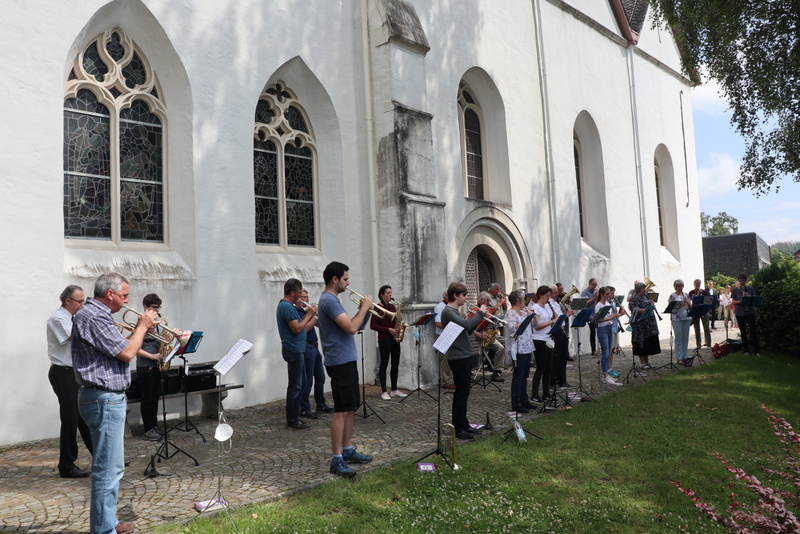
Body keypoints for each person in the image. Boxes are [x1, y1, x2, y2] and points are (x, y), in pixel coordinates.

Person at [73, 272, 158, 534]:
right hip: (103, 399)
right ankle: (103, 530)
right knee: (106, 472)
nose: (127, 300)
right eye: (124, 295)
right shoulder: (95, 316)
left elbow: (120, 345)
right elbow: (127, 352)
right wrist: (142, 326)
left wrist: (138, 330)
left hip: (106, 398)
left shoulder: (98, 315)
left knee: (114, 467)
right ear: (109, 294)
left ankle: (107, 522)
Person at [317, 261, 374, 477]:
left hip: (346, 359)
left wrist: (364, 311)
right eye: (345, 279)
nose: (348, 283)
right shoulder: (329, 300)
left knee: (350, 407)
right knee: (341, 411)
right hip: (339, 361)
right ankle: (336, 459)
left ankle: (348, 450)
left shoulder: (334, 300)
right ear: (335, 279)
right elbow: (351, 327)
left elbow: (356, 325)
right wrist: (365, 308)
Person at [46, 284, 94, 478]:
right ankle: (66, 464)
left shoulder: (72, 318)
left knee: (85, 417)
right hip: (64, 373)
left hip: (74, 372)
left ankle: (102, 456)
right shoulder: (59, 318)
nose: (82, 305)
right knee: (71, 418)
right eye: (80, 301)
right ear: (68, 301)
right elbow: (73, 338)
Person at [440, 282, 488, 440]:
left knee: (465, 392)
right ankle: (458, 428)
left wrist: (472, 318)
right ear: (456, 295)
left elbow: (466, 330)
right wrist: (480, 313)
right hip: (458, 356)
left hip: (464, 354)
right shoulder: (448, 311)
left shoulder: (455, 311)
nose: (466, 298)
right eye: (464, 295)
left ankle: (464, 423)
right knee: (460, 393)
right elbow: (467, 325)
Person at [276, 278, 318, 430]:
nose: (300, 296)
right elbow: (297, 329)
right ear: (292, 292)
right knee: (295, 386)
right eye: (299, 293)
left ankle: (298, 413)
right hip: (293, 350)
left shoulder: (289, 306)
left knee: (302, 383)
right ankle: (293, 420)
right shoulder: (286, 307)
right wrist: (310, 314)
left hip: (297, 349)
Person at [135, 294, 169, 441]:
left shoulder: (157, 323)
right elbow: (134, 347)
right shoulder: (140, 323)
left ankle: (154, 425)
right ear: (145, 307)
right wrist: (152, 356)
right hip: (145, 366)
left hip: (156, 366)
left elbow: (160, 343)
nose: (157, 310)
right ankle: (148, 429)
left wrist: (168, 339)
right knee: (147, 398)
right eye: (154, 307)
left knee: (155, 397)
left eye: (158, 307)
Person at [295, 289, 333, 415]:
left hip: (314, 347)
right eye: (305, 297)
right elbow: (304, 329)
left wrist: (320, 315)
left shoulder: (306, 312)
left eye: (308, 297)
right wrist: (311, 315)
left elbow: (319, 325)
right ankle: (304, 408)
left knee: (320, 377)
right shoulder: (297, 312)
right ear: (299, 298)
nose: (307, 300)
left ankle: (321, 405)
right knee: (307, 380)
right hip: (306, 347)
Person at [370, 285, 407, 400]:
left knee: (395, 363)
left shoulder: (392, 306)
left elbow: (393, 321)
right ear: (382, 294)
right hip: (384, 338)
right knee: (384, 364)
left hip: (394, 337)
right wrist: (387, 330)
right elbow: (373, 325)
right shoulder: (377, 307)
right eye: (388, 293)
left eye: (391, 293)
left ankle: (394, 389)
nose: (391, 295)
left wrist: (399, 318)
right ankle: (384, 391)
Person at [505, 291, 536, 413]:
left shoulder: (523, 312)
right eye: (523, 300)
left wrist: (532, 316)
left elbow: (535, 324)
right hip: (517, 348)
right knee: (518, 376)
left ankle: (524, 399)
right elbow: (512, 327)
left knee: (525, 375)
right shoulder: (510, 313)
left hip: (527, 346)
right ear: (518, 302)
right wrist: (526, 319)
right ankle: (516, 402)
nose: (525, 303)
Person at [528, 285, 556, 403]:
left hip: (547, 337)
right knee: (540, 367)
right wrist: (551, 321)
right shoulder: (536, 308)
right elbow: (537, 327)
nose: (548, 298)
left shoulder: (547, 307)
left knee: (548, 367)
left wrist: (555, 320)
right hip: (538, 339)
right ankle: (534, 393)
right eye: (547, 296)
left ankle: (546, 393)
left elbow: (550, 322)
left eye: (549, 296)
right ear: (540, 296)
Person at [473, 291, 506, 382]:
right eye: (488, 300)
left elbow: (492, 317)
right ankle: (496, 372)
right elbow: (471, 326)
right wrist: (478, 334)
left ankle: (494, 362)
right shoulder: (475, 310)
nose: (489, 302)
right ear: (481, 301)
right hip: (483, 335)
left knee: (508, 342)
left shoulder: (487, 309)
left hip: (492, 332)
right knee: (500, 348)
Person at [596, 287, 624, 386]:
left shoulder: (608, 304)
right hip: (602, 329)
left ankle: (607, 373)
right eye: (607, 294)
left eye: (609, 294)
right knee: (605, 353)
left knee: (609, 351)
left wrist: (619, 314)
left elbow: (611, 316)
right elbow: (598, 320)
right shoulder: (598, 305)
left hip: (609, 328)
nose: (609, 296)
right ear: (602, 295)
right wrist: (610, 317)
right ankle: (605, 375)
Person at [628, 282, 660, 368]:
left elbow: (648, 305)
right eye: (643, 289)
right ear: (639, 289)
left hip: (649, 324)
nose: (645, 290)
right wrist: (647, 309)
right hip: (640, 325)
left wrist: (651, 305)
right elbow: (635, 309)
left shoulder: (645, 296)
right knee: (641, 343)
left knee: (648, 343)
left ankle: (647, 362)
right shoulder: (634, 298)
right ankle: (642, 363)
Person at [548, 284, 573, 390]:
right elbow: (554, 320)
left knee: (563, 358)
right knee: (556, 358)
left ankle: (562, 380)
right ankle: (553, 382)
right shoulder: (548, 304)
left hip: (561, 330)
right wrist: (566, 315)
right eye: (554, 292)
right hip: (554, 332)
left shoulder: (556, 303)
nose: (557, 294)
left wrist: (566, 312)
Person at [730, 273, 760, 356]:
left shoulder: (750, 288)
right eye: (740, 281)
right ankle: (746, 350)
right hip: (740, 313)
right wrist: (741, 301)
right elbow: (733, 301)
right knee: (743, 332)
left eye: (743, 280)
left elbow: (755, 299)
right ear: (738, 281)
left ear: (746, 281)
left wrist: (749, 297)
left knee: (753, 331)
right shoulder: (735, 290)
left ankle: (757, 350)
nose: (742, 282)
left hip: (750, 312)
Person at [668, 279, 693, 366]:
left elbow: (691, 307)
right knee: (679, 337)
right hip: (677, 318)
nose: (680, 287)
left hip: (686, 317)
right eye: (679, 286)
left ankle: (684, 356)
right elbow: (671, 308)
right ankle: (679, 357)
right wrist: (679, 305)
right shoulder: (673, 296)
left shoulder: (685, 294)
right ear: (675, 287)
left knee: (685, 337)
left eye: (681, 286)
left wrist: (688, 302)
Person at [433, 292, 454, 389]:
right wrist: (451, 326)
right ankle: (446, 381)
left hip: (451, 334)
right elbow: (438, 323)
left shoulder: (451, 307)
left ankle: (452, 379)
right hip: (443, 335)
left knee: (452, 358)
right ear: (445, 296)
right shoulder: (439, 307)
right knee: (445, 360)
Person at [688, 279, 711, 348]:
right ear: (694, 284)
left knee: (706, 327)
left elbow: (708, 301)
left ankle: (708, 343)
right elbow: (691, 302)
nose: (698, 285)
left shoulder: (704, 292)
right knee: (696, 328)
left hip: (704, 310)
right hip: (696, 311)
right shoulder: (691, 292)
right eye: (696, 283)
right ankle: (698, 344)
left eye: (699, 283)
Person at [580, 278, 600, 355]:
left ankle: (598, 348)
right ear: (589, 284)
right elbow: (586, 304)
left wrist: (599, 297)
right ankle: (593, 350)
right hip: (589, 315)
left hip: (596, 314)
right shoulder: (584, 292)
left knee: (598, 331)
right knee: (593, 332)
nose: (595, 286)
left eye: (596, 285)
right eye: (594, 284)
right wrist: (594, 297)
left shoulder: (596, 292)